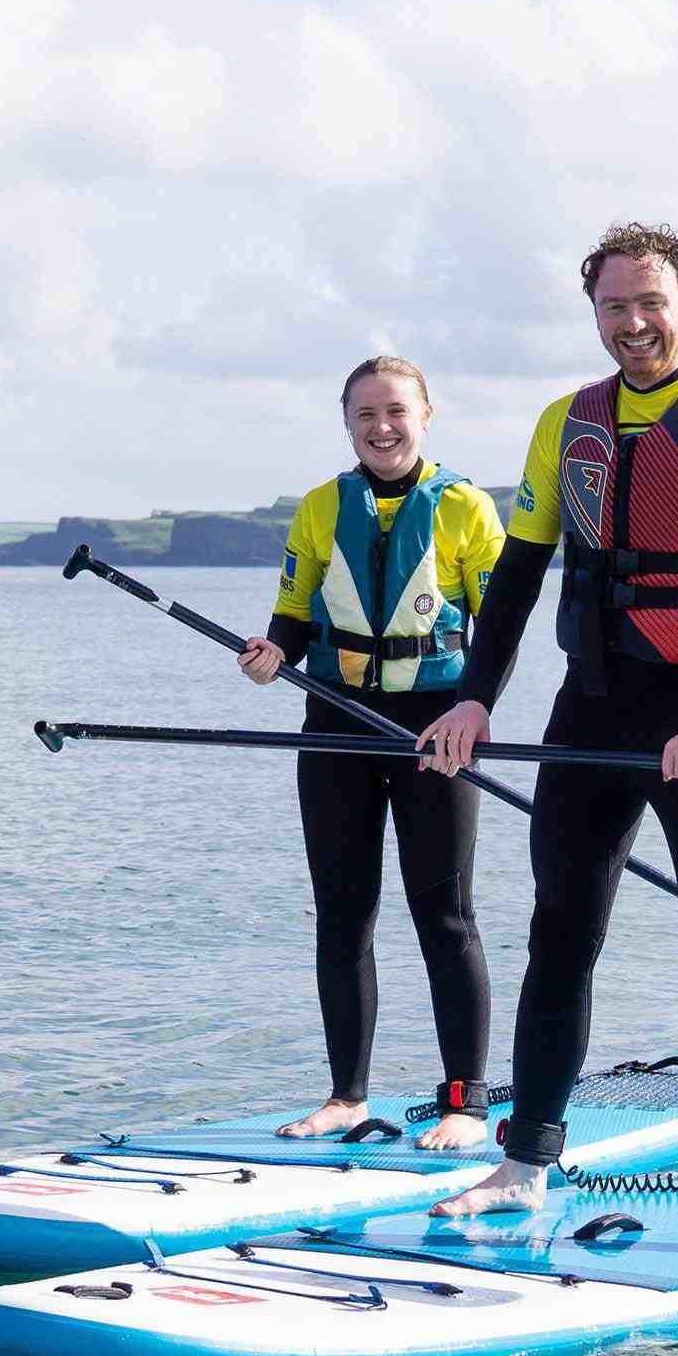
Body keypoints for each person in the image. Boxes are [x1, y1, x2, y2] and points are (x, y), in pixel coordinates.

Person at [416, 222, 678, 1266]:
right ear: (592, 311)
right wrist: (473, 702)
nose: (632, 325)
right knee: (560, 931)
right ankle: (524, 1162)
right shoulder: (567, 424)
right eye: (612, 307)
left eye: (650, 304)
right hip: (589, 709)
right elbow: (514, 580)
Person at [238, 355, 504, 1151]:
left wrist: (472, 709)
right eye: (365, 415)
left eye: (396, 411)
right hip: (335, 722)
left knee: (444, 917)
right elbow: (292, 611)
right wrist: (270, 652)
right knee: (341, 915)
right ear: (346, 421)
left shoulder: (465, 509)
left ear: (426, 414)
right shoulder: (321, 508)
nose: (382, 427)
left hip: (436, 729)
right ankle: (344, 1097)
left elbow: (499, 628)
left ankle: (463, 1102)